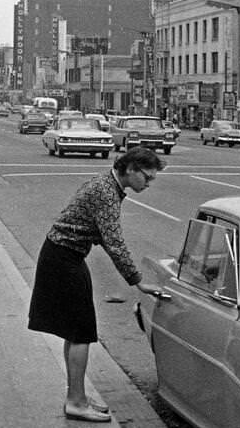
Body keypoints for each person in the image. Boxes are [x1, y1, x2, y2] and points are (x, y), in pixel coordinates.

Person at [27, 147, 165, 423]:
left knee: (75, 330)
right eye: (146, 178)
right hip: (64, 258)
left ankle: (76, 396)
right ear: (130, 169)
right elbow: (114, 242)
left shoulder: (106, 184)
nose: (148, 184)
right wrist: (139, 282)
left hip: (64, 255)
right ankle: (76, 402)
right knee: (82, 332)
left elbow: (101, 234)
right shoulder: (106, 193)